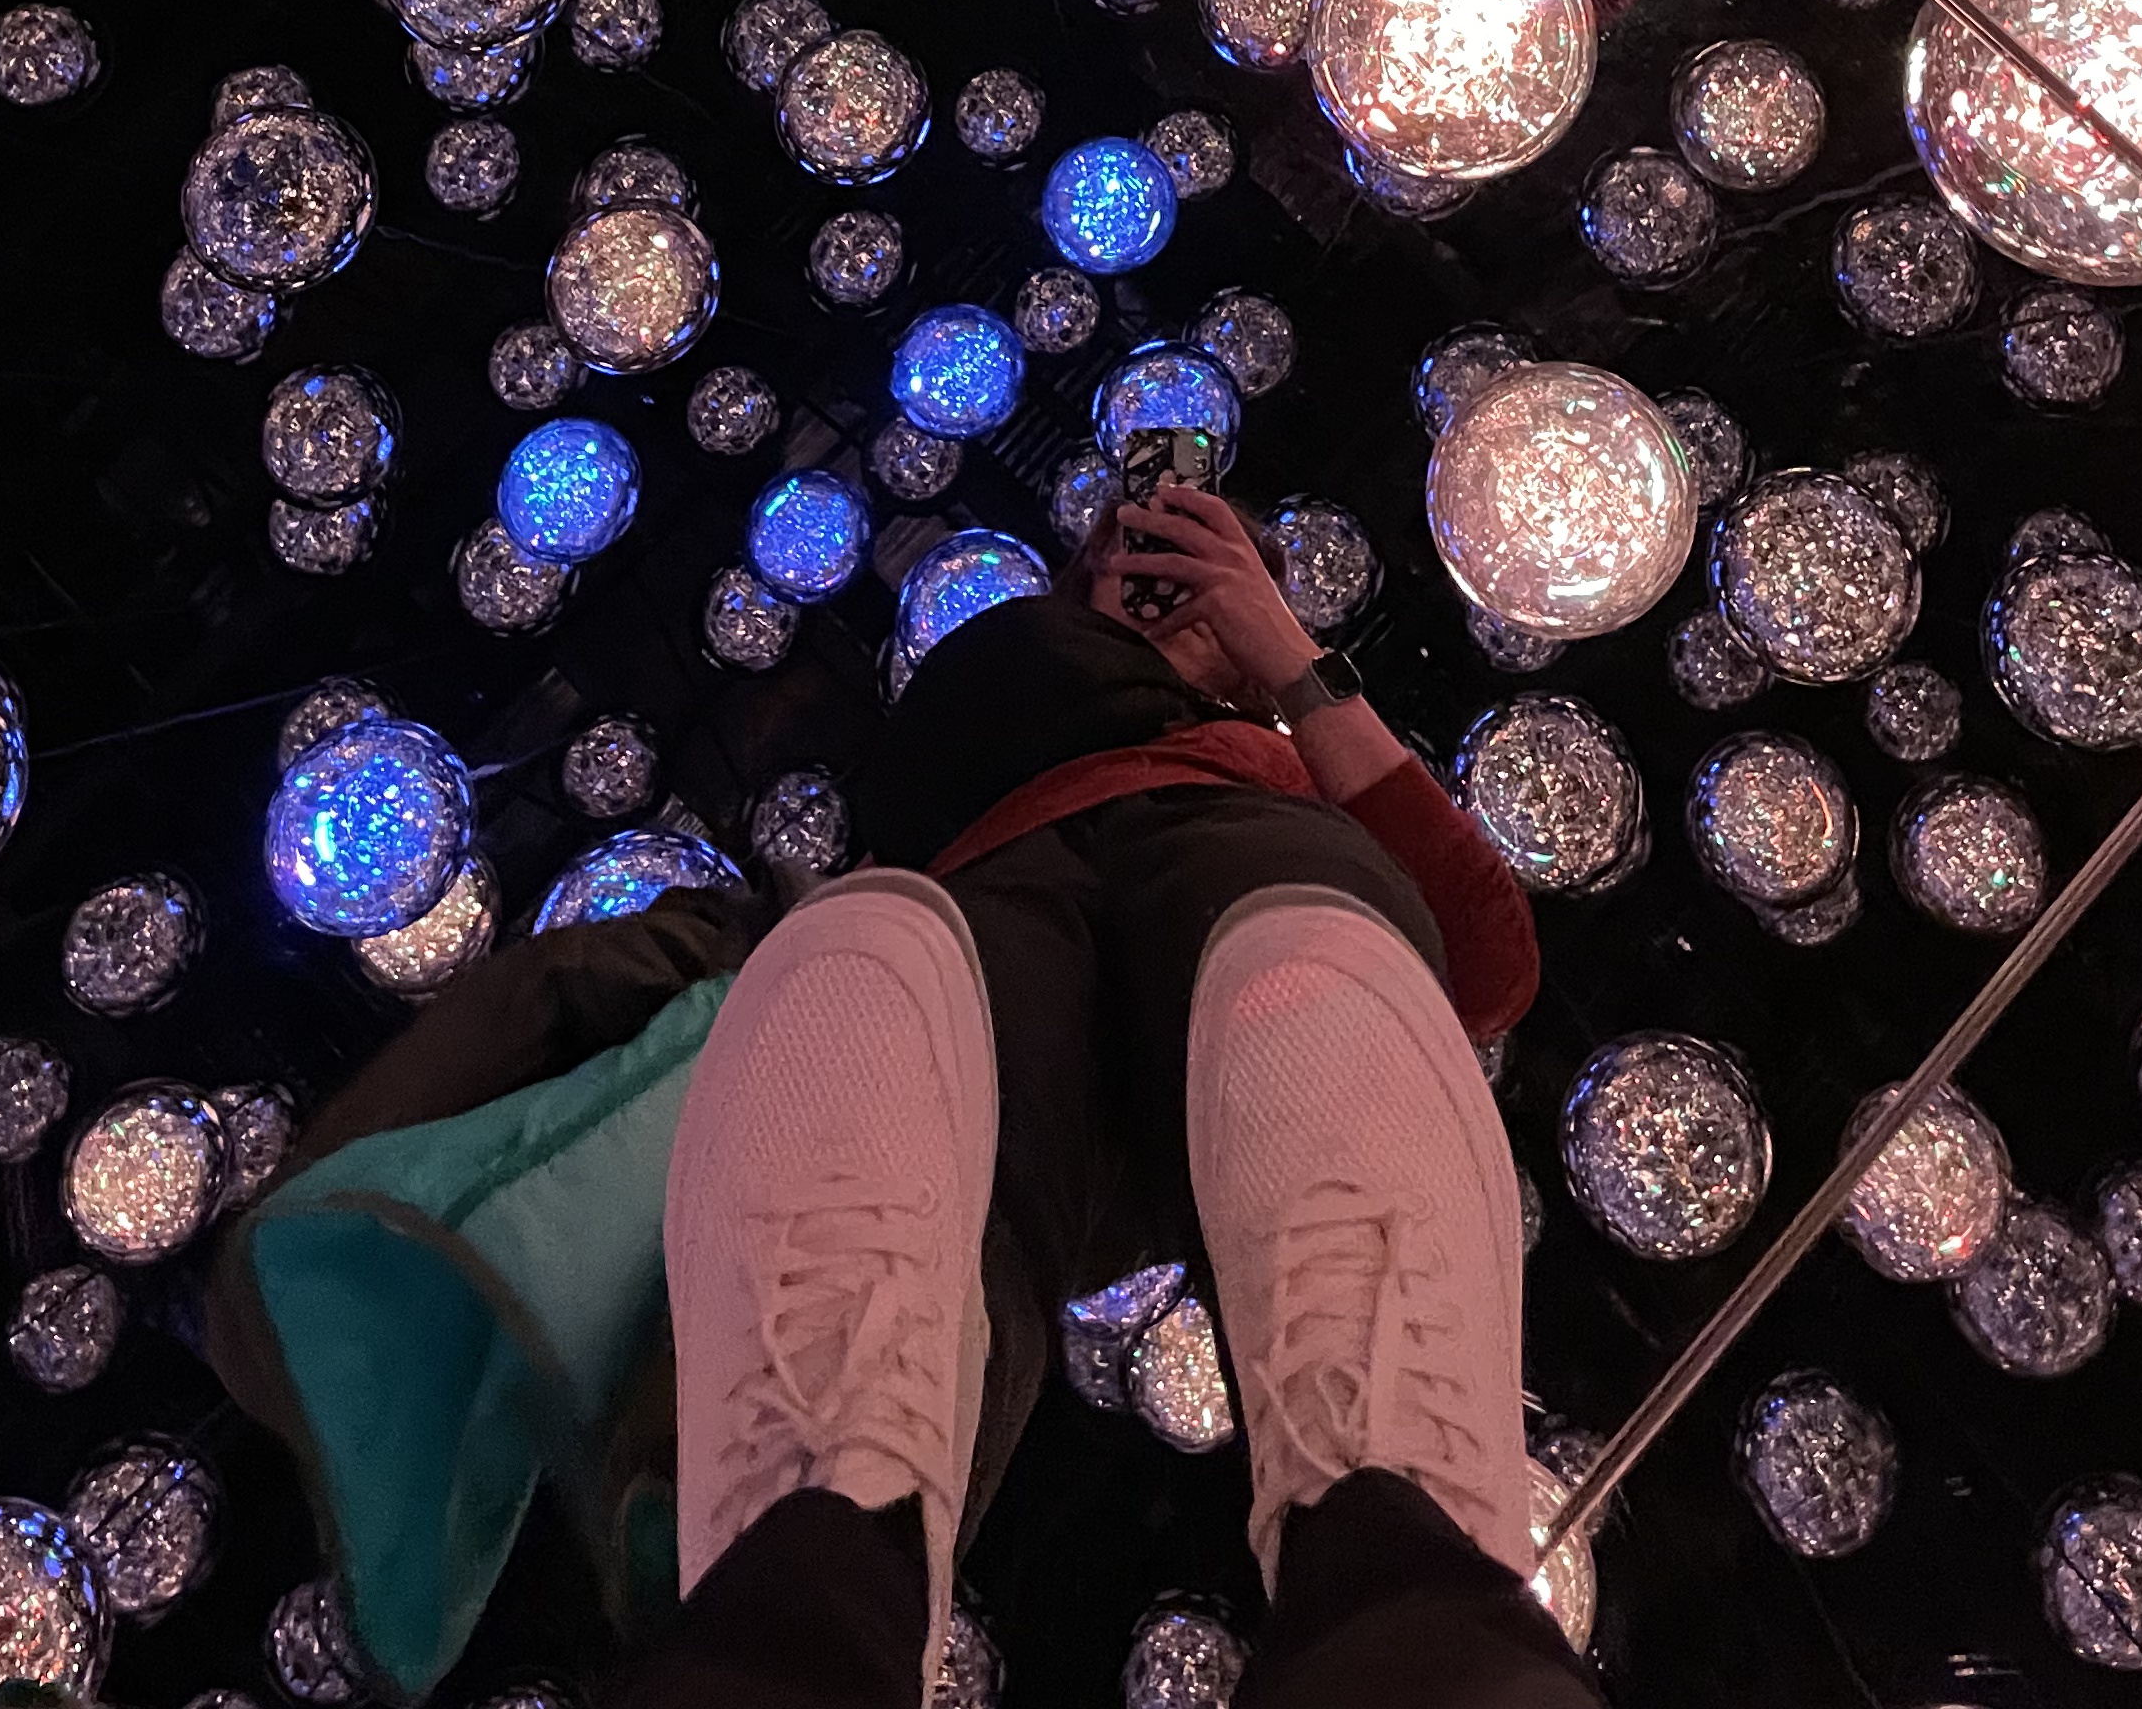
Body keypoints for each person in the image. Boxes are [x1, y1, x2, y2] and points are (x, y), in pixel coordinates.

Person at [651, 479, 1610, 1706]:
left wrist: (1282, 657)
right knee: (963, 1080)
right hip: (1011, 883)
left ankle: (1379, 1497)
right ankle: (843, 1501)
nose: (1147, 555)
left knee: (1275, 899)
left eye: (1197, 552)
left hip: (1221, 849)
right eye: (1126, 540)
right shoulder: (1007, 711)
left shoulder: (1278, 745)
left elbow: (1486, 957)